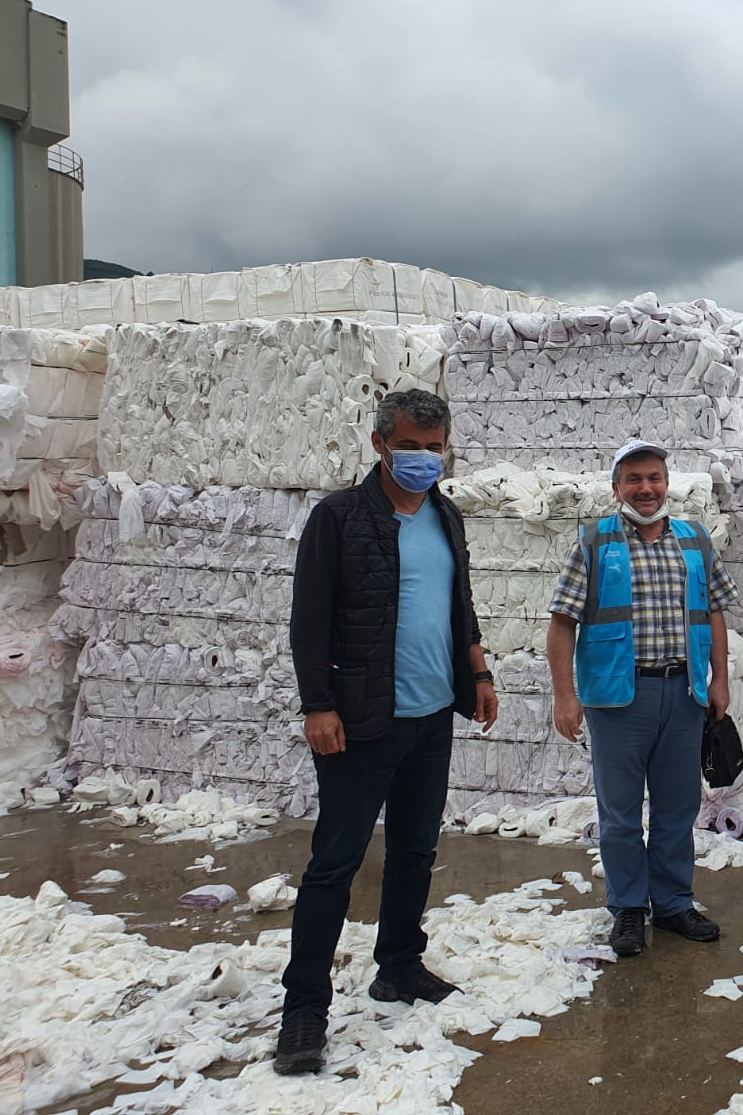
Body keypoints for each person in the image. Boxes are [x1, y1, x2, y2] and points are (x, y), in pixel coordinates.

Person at [274, 389, 498, 1076]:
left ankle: (399, 964)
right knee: (334, 866)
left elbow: (459, 603)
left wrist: (478, 671)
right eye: (411, 447)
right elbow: (309, 621)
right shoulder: (339, 519)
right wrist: (318, 705)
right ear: (379, 444)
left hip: (432, 714)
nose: (425, 460)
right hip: (363, 721)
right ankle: (304, 1007)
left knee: (414, 849)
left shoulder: (446, 515)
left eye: (435, 449)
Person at [546, 440, 737, 957]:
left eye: (654, 478)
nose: (646, 489)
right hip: (617, 699)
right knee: (621, 812)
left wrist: (719, 681)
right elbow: (562, 623)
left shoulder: (693, 540)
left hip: (682, 692)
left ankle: (673, 902)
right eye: (634, 479)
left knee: (678, 807)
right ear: (616, 488)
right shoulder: (594, 542)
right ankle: (629, 908)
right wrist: (566, 696)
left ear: (666, 482)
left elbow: (715, 612)